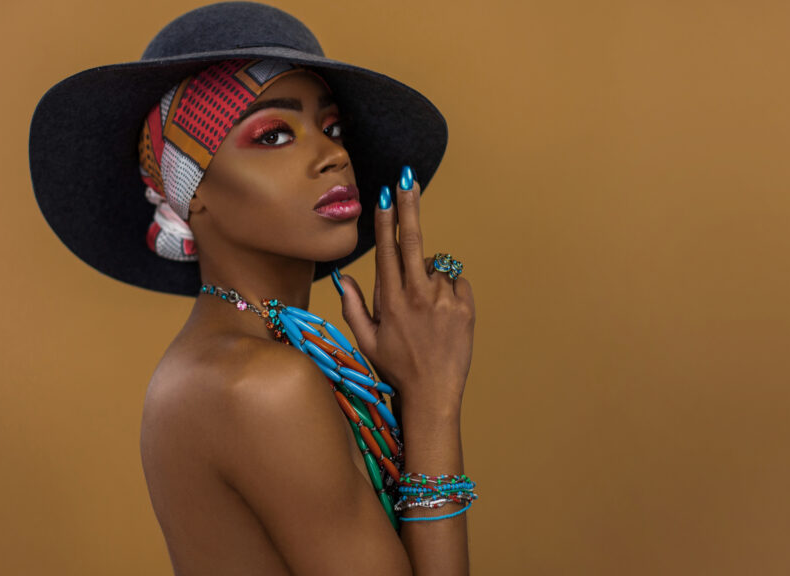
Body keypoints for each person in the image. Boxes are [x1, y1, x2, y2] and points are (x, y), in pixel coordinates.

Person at [29, 3, 476, 574]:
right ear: (192, 192)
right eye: (274, 135)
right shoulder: (260, 385)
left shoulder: (230, 360)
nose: (334, 155)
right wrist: (432, 402)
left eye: (332, 127)